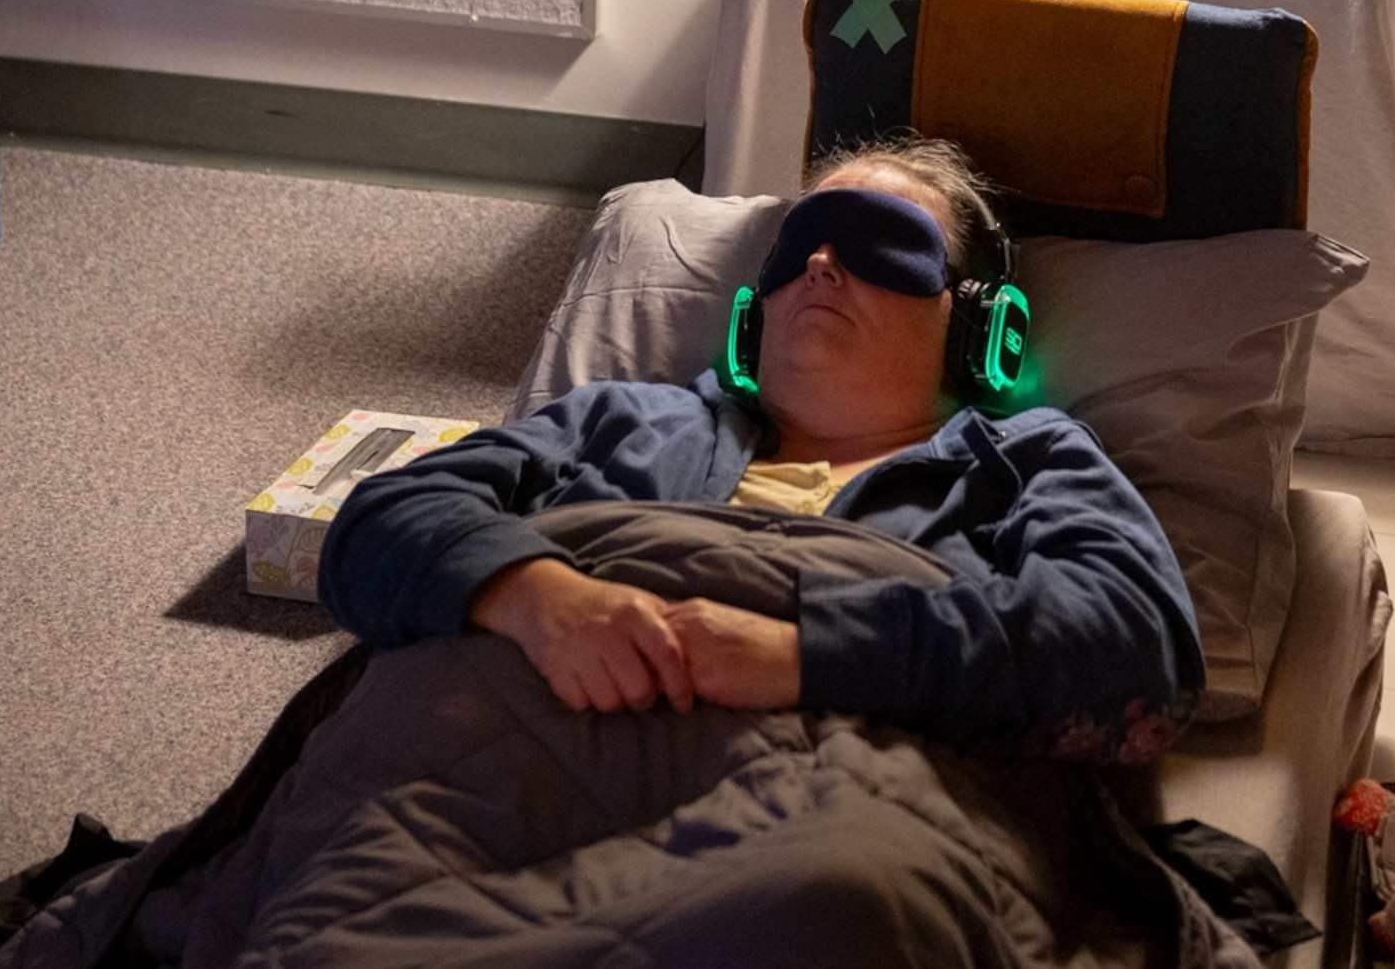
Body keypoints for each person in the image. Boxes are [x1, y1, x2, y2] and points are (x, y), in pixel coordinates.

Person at [316, 140, 1204, 758]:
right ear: (755, 309)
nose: (821, 264)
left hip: (829, 810)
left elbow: (1136, 648)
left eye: (877, 245)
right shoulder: (623, 417)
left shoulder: (1027, 459)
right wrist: (538, 598)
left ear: (976, 328)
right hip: (505, 759)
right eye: (799, 245)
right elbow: (376, 524)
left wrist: (799, 653)